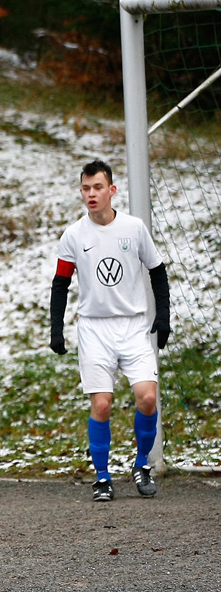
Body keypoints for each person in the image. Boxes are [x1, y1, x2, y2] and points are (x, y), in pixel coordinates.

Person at [50, 159, 171, 502]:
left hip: (132, 325)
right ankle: (102, 477)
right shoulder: (73, 235)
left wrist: (162, 316)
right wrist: (56, 329)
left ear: (112, 190)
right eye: (86, 188)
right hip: (94, 329)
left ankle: (141, 464)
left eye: (98, 187)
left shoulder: (134, 228)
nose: (91, 194)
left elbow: (157, 271)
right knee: (101, 404)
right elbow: (61, 283)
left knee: (147, 397)